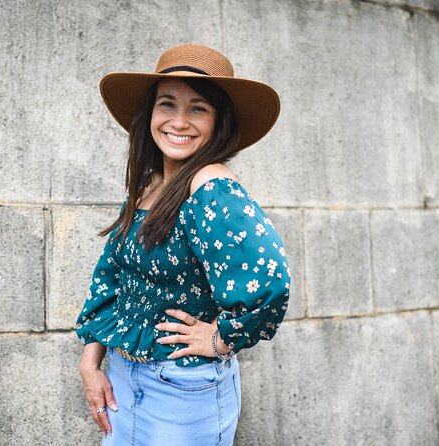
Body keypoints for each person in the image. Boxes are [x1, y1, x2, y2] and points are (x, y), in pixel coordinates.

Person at [75, 43, 291, 446]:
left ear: (218, 122)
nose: (179, 121)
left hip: (182, 390)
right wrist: (91, 361)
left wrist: (219, 337)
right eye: (167, 104)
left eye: (198, 108)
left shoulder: (211, 184)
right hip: (122, 381)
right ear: (151, 115)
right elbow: (111, 277)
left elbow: (269, 280)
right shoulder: (149, 187)